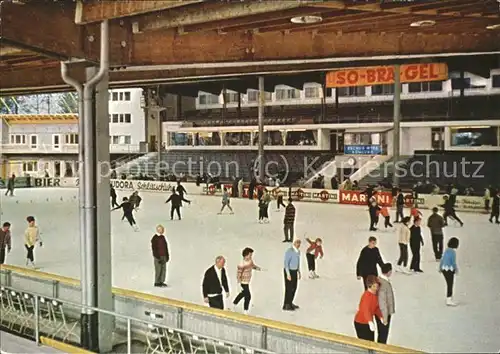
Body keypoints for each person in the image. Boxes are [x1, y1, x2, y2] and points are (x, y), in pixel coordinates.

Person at [353, 275, 383, 342]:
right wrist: (370, 322)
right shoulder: (366, 296)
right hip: (361, 323)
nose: (376, 288)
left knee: (371, 342)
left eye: (377, 286)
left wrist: (380, 316)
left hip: (368, 323)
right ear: (369, 286)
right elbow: (366, 310)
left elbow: (376, 308)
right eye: (374, 286)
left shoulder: (374, 295)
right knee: (365, 343)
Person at [233, 247, 262, 314]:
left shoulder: (250, 260)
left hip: (247, 281)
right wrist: (239, 284)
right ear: (246, 255)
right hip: (243, 282)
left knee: (243, 294)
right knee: (248, 296)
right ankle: (245, 310)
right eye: (250, 255)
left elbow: (252, 265)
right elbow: (238, 275)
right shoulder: (241, 264)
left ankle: (234, 304)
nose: (251, 256)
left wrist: (257, 268)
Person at [376, 263, 395, 344]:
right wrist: (385, 317)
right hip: (383, 313)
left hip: (381, 312)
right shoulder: (384, 284)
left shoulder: (380, 280)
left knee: (382, 333)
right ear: (389, 271)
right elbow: (382, 301)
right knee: (383, 333)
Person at [439, 237, 460, 306]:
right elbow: (453, 262)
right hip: (450, 269)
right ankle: (449, 299)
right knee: (450, 284)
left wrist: (440, 267)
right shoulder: (453, 252)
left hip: (444, 268)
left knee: (449, 284)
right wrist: (456, 269)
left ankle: (449, 298)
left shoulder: (446, 250)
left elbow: (442, 259)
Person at [283, 239, 301, 311]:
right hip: (289, 271)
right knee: (289, 288)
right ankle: (286, 304)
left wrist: (299, 271)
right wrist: (288, 274)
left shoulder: (298, 252)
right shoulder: (289, 251)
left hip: (294, 271)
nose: (298, 244)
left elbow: (298, 262)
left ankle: (290, 302)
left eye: (299, 243)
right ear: (294, 243)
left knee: (294, 287)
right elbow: (286, 263)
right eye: (297, 243)